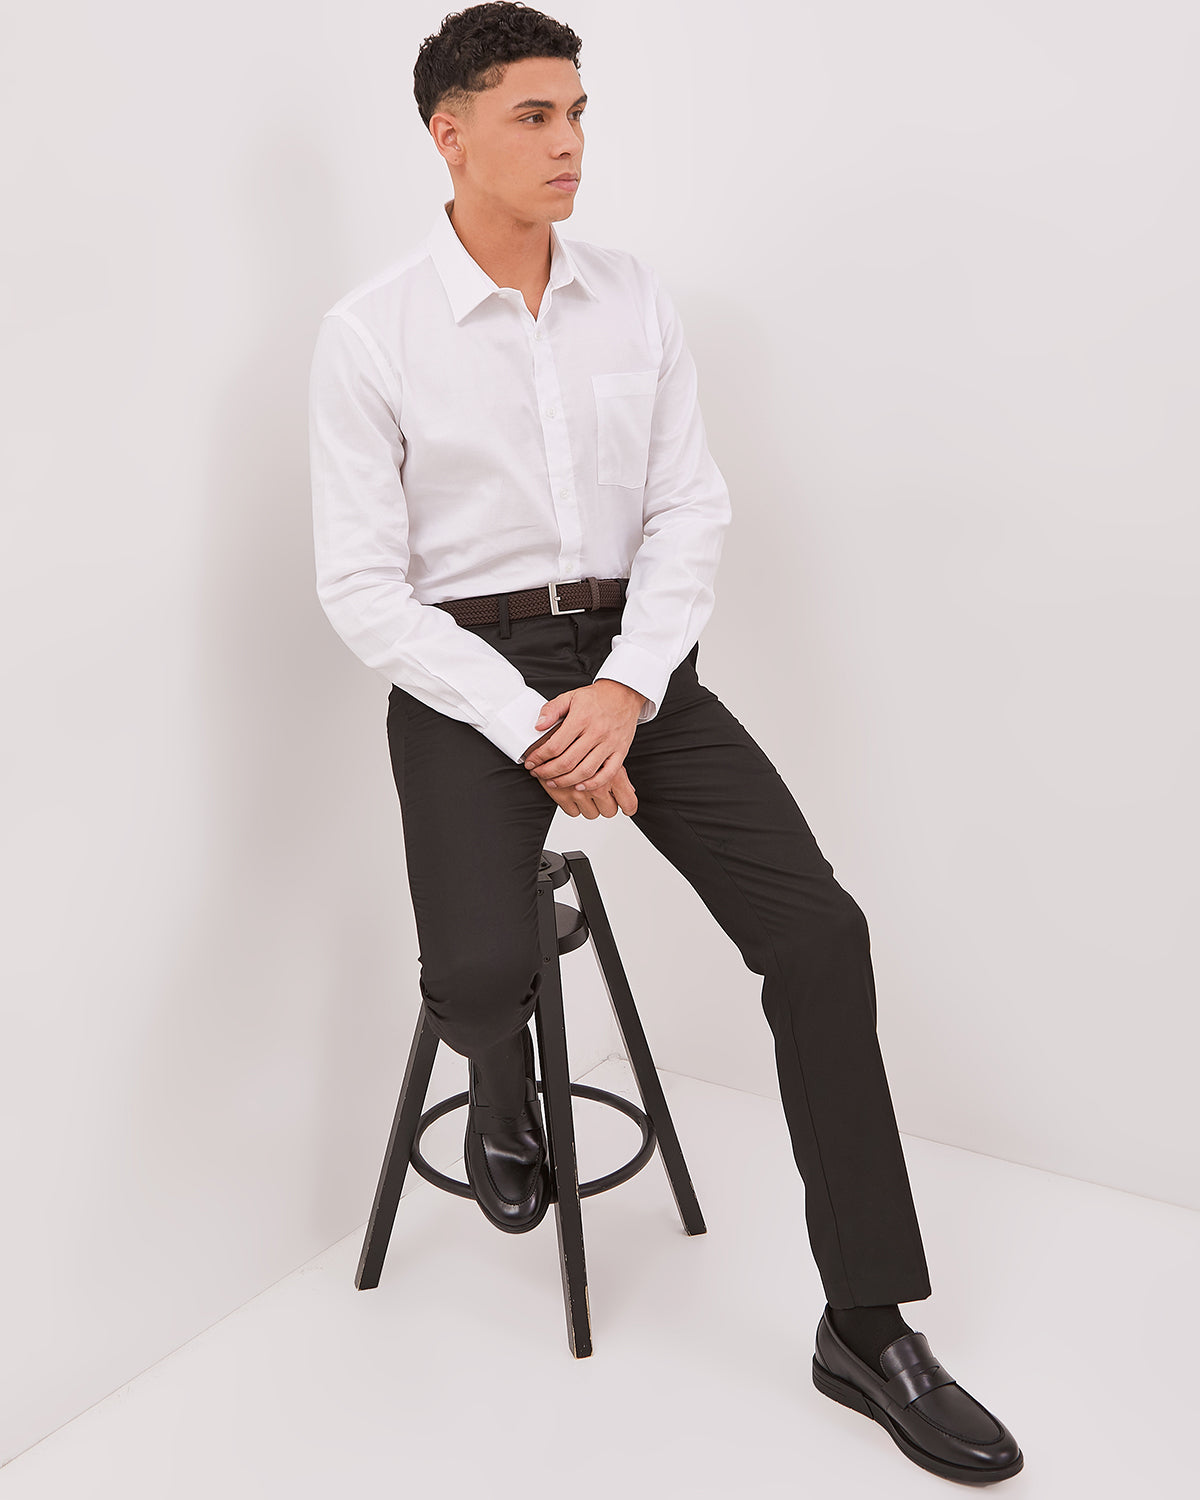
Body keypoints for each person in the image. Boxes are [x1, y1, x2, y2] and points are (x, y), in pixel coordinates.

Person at [307, 2, 1023, 1482]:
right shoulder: (370, 332)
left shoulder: (633, 299)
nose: (570, 142)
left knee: (820, 937)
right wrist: (536, 728)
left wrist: (624, 693)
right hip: (466, 675)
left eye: (578, 112)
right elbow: (363, 587)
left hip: (635, 665)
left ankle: (867, 1325)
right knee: (480, 972)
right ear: (450, 134)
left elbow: (690, 506)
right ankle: (500, 1082)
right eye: (535, 116)